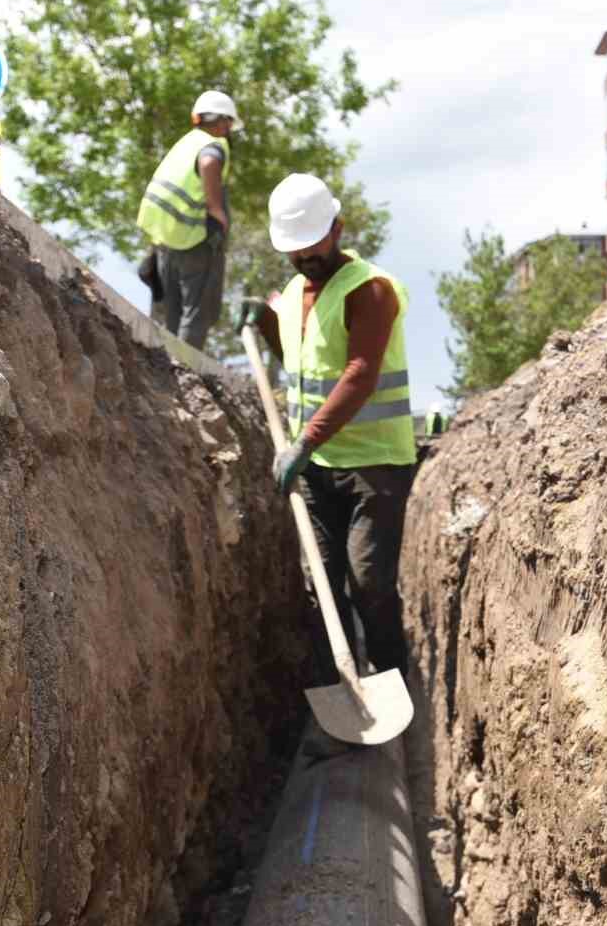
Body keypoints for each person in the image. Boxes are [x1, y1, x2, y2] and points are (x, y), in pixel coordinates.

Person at [237, 173, 417, 683]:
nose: (304, 257)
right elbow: (301, 363)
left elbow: (358, 375)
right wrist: (266, 323)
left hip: (374, 466)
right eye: (293, 250)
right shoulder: (294, 293)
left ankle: (392, 680)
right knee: (320, 586)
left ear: (336, 228)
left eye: (311, 244)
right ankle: (339, 695)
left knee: (368, 583)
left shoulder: (371, 290)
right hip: (317, 469)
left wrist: (304, 441)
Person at [136, 90, 240, 350]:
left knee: (171, 309)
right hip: (191, 236)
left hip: (164, 237)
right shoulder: (214, 145)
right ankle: (185, 371)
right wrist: (217, 211)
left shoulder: (187, 141)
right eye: (229, 125)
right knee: (197, 310)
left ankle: (166, 363)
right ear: (224, 121)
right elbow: (208, 163)